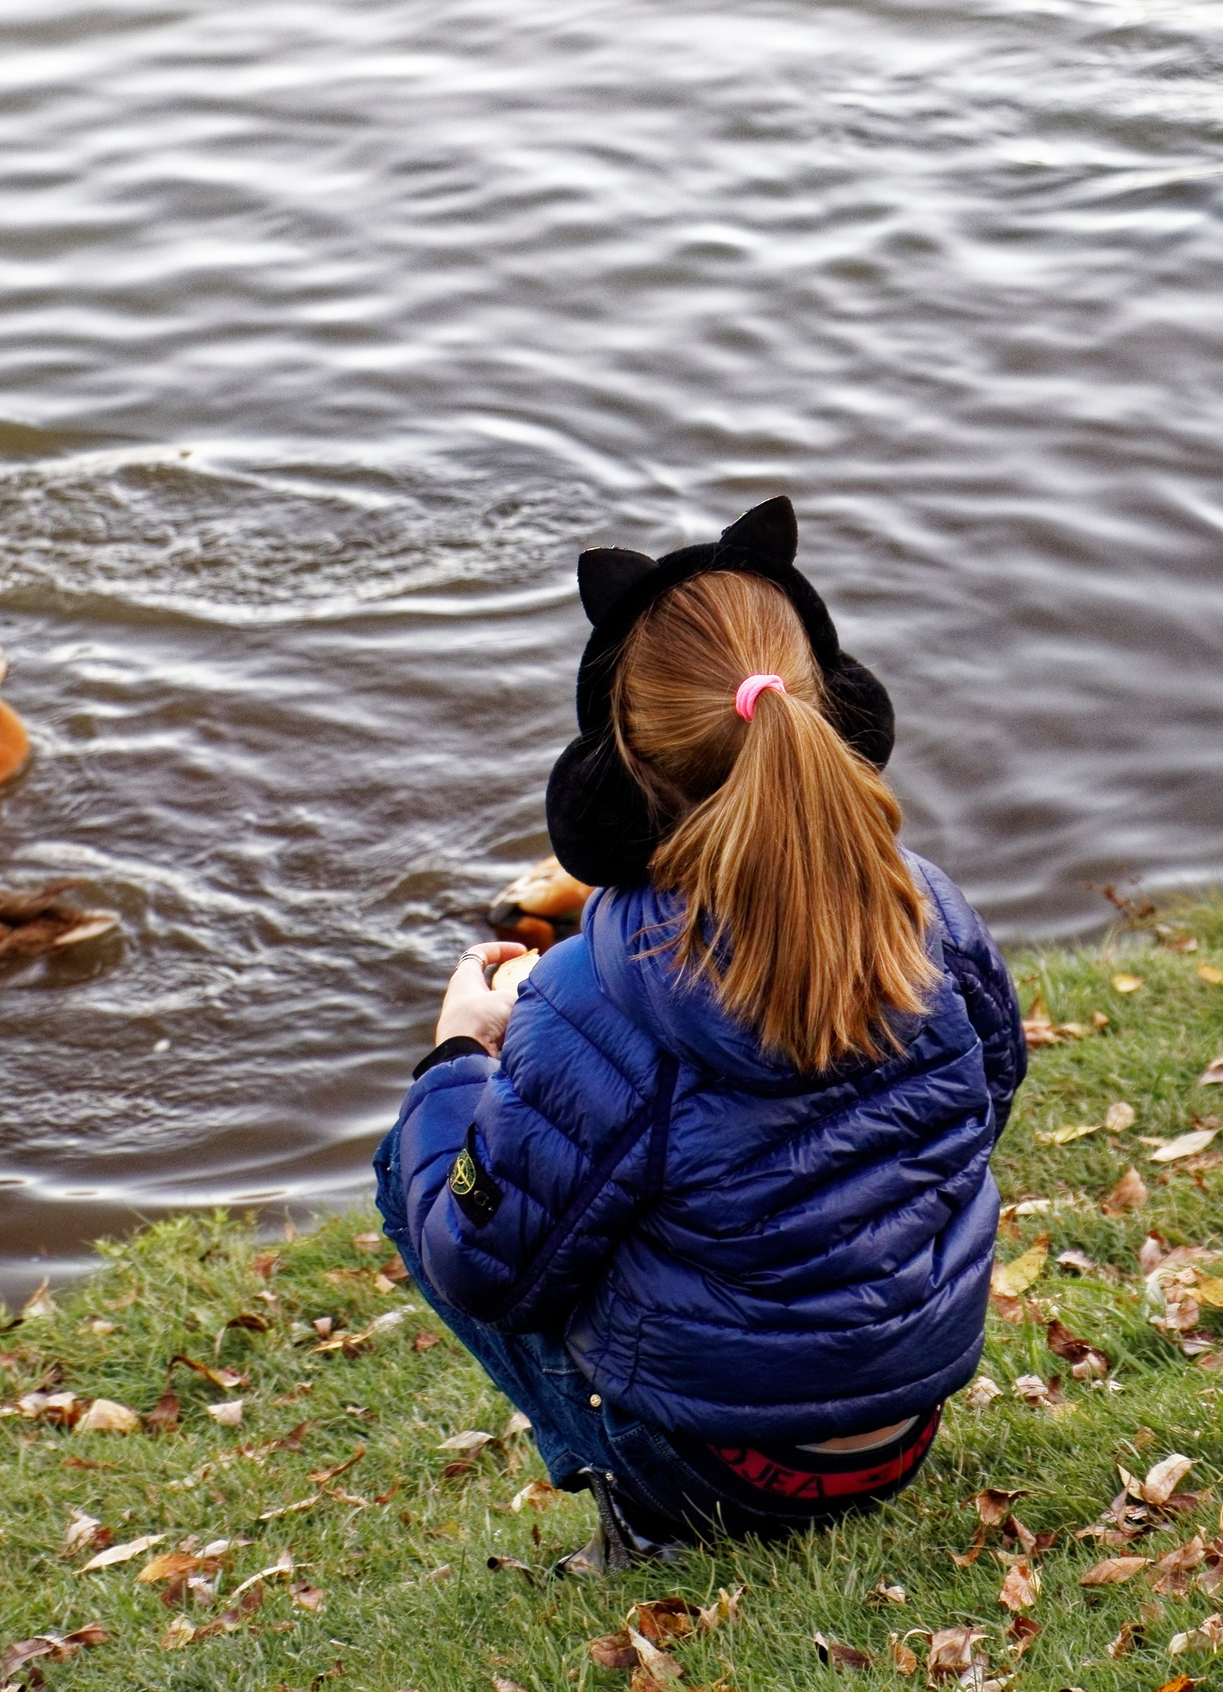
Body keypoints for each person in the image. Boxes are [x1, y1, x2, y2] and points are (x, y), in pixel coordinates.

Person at [375, 497, 1025, 1570]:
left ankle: (640, 1517)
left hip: (729, 1468)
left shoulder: (595, 992)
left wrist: (461, 1056)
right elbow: (986, 1098)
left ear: (630, 762)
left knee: (419, 1158)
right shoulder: (930, 910)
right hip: (902, 1424)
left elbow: (485, 1267)